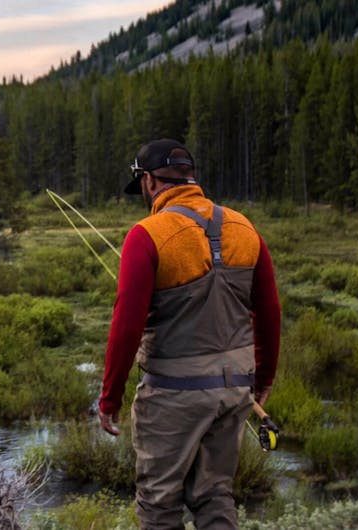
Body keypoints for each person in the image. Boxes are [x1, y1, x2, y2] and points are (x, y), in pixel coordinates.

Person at [98, 139, 280, 530]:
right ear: (190, 177)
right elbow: (269, 313)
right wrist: (262, 380)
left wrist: (110, 397)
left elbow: (126, 325)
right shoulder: (245, 229)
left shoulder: (146, 235)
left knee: (159, 506)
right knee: (215, 497)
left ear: (148, 181)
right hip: (235, 391)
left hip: (172, 396)